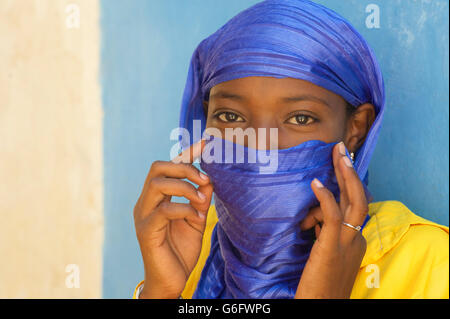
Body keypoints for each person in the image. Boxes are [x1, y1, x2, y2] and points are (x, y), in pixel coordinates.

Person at [132, 0, 449, 299]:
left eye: (300, 118)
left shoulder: (430, 266)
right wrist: (160, 290)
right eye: (230, 116)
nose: (260, 147)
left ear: (356, 129)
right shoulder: (193, 242)